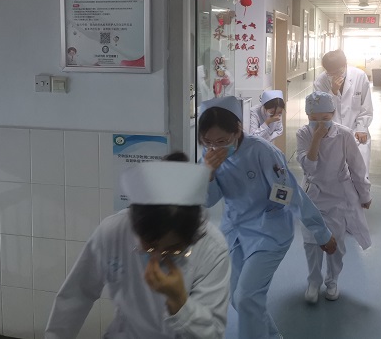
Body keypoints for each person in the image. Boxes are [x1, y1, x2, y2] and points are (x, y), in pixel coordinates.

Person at [44, 154, 231, 339]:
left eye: (173, 250)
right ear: (134, 226)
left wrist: (180, 302)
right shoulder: (113, 232)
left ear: (191, 237)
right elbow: (77, 294)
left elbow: (213, 333)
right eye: (149, 246)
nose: (158, 256)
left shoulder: (211, 248)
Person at [200, 96, 337, 339]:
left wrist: (321, 232)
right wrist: (208, 174)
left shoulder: (263, 152)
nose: (215, 148)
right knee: (238, 298)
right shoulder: (209, 157)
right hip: (234, 233)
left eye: (222, 141)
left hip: (268, 232)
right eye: (208, 142)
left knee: (247, 296)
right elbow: (209, 200)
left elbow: (290, 194)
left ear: (238, 129)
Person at [296, 91, 372, 303]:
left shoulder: (344, 135)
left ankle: (332, 280)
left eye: (325, 118)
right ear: (307, 116)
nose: (320, 123)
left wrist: (365, 194)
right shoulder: (303, 134)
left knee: (336, 243)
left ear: (333, 114)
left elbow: (357, 167)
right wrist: (316, 138)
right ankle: (313, 281)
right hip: (313, 194)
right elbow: (309, 167)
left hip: (339, 196)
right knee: (312, 242)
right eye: (314, 118)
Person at [314, 49, 373, 176]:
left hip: (356, 132)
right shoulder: (321, 81)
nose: (334, 75)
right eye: (330, 73)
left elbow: (366, 106)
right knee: (333, 175)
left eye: (337, 72)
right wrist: (333, 92)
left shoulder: (359, 76)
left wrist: (362, 128)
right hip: (331, 133)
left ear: (345, 65)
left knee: (359, 175)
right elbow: (321, 111)